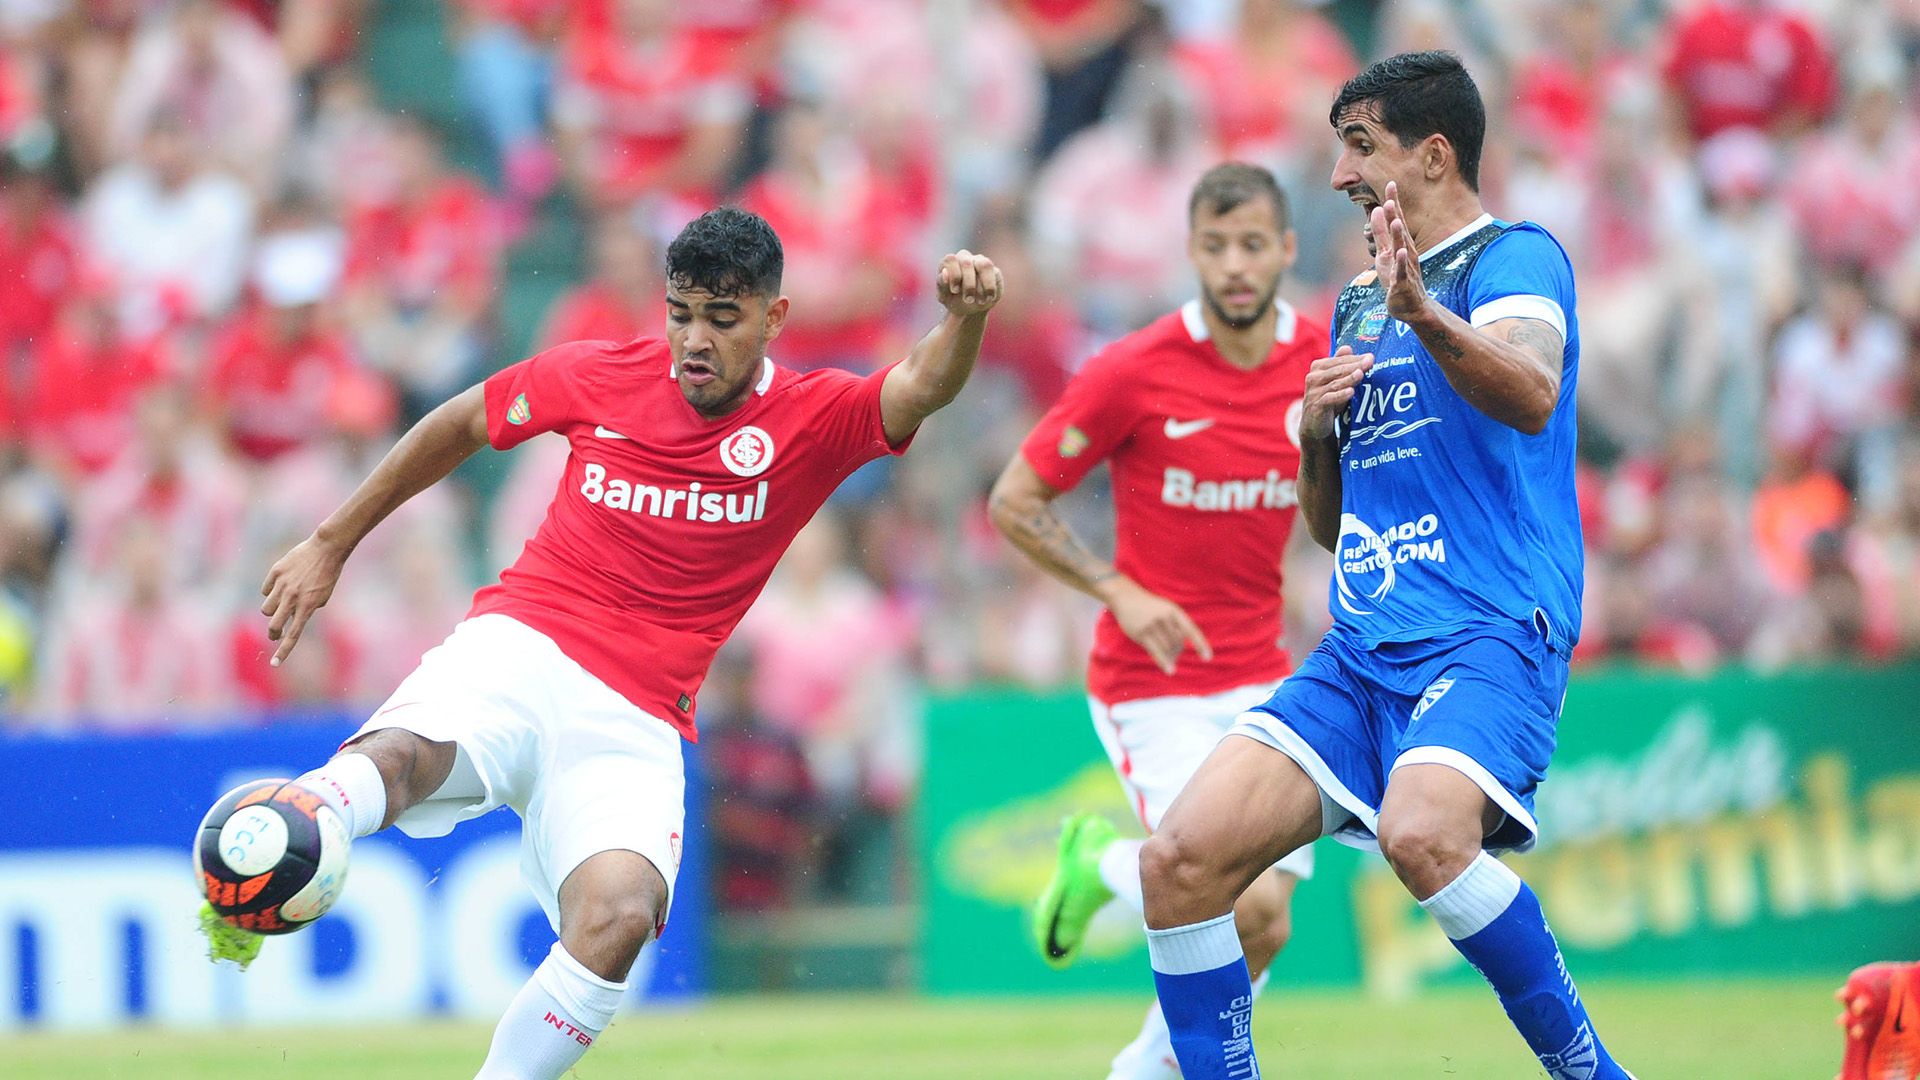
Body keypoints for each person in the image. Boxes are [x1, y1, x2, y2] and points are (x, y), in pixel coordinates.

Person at [196, 207, 1001, 1080]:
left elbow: (922, 384)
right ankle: (300, 822)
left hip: (637, 716)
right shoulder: (599, 373)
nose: (694, 339)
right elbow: (461, 423)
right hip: (520, 645)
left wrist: (965, 319)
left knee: (619, 916)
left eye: (721, 320)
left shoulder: (813, 416)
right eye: (680, 312)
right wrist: (331, 542)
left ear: (772, 318)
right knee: (398, 756)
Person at [1136, 53, 1638, 1080]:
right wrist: (1315, 437)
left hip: (1491, 631)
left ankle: (1595, 1074)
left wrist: (1424, 314)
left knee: (1423, 836)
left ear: (1435, 153)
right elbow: (1329, 526)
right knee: (1177, 863)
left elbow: (1533, 391)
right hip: (1361, 652)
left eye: (1359, 146)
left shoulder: (1517, 260)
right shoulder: (1360, 302)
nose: (1336, 175)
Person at [990, 162, 1326, 1080]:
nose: (1235, 266)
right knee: (1242, 907)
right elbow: (1016, 500)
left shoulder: (1323, 360)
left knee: (1263, 926)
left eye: (1253, 244)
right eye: (1215, 248)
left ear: (1287, 250)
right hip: (1154, 686)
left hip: (1267, 677)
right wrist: (1117, 591)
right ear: (1191, 254)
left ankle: (1105, 879)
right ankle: (1106, 869)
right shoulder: (1134, 369)